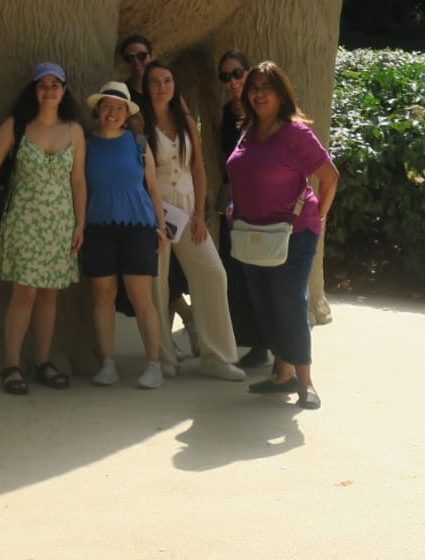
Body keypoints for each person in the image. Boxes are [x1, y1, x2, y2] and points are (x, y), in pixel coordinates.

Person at [227, 60, 339, 410]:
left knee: (290, 306)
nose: (259, 94)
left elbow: (330, 177)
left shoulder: (295, 133)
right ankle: (282, 374)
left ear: (281, 94)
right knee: (266, 306)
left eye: (266, 87)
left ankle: (305, 382)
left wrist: (315, 219)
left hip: (294, 235)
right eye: (254, 88)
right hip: (253, 235)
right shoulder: (248, 129)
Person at [0, 62, 86, 395]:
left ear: (64, 90)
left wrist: (81, 223)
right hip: (24, 219)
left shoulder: (74, 131)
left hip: (60, 223)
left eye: (56, 85)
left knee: (50, 295)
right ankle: (11, 364)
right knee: (25, 293)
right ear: (34, 90)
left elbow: (78, 181)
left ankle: (43, 361)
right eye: (43, 85)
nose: (49, 91)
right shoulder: (16, 126)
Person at [138, 60, 245, 380]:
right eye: (155, 81)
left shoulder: (184, 119)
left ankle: (217, 356)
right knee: (156, 283)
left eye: (168, 80)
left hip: (186, 206)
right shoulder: (138, 122)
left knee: (213, 274)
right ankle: (162, 358)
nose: (162, 87)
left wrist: (199, 213)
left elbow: (198, 167)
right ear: (146, 87)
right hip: (153, 208)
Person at [80, 80, 168, 388]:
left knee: (141, 298)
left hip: (138, 227)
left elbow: (154, 189)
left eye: (119, 108)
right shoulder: (86, 145)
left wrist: (161, 226)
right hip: (98, 226)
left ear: (127, 113)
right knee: (103, 297)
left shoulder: (139, 144)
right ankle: (107, 363)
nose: (113, 113)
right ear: (98, 110)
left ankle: (154, 364)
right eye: (107, 106)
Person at [117, 34, 190, 342]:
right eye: (131, 57)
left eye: (142, 55)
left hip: (177, 195)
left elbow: (187, 135)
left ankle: (185, 325)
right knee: (155, 270)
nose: (138, 63)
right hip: (143, 193)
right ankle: (170, 337)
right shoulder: (124, 95)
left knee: (171, 270)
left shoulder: (170, 93)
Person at [215, 48, 268, 371]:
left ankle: (264, 344)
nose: (233, 81)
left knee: (261, 272)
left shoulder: (263, 110)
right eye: (226, 76)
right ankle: (248, 340)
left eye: (237, 73)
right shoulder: (225, 113)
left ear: (248, 73)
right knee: (235, 272)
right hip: (235, 202)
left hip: (262, 203)